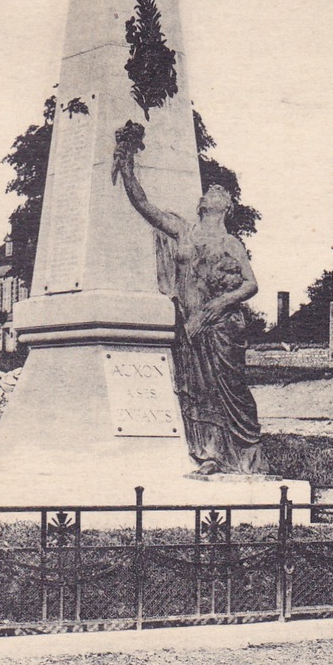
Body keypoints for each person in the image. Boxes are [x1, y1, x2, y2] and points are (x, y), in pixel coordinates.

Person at [113, 122, 267, 476]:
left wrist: (218, 305)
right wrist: (127, 168)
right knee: (198, 390)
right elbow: (143, 205)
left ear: (225, 207)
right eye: (209, 191)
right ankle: (209, 454)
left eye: (218, 192)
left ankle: (245, 451)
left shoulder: (231, 244)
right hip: (190, 325)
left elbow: (251, 284)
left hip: (219, 326)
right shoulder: (183, 230)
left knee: (230, 389)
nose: (211, 191)